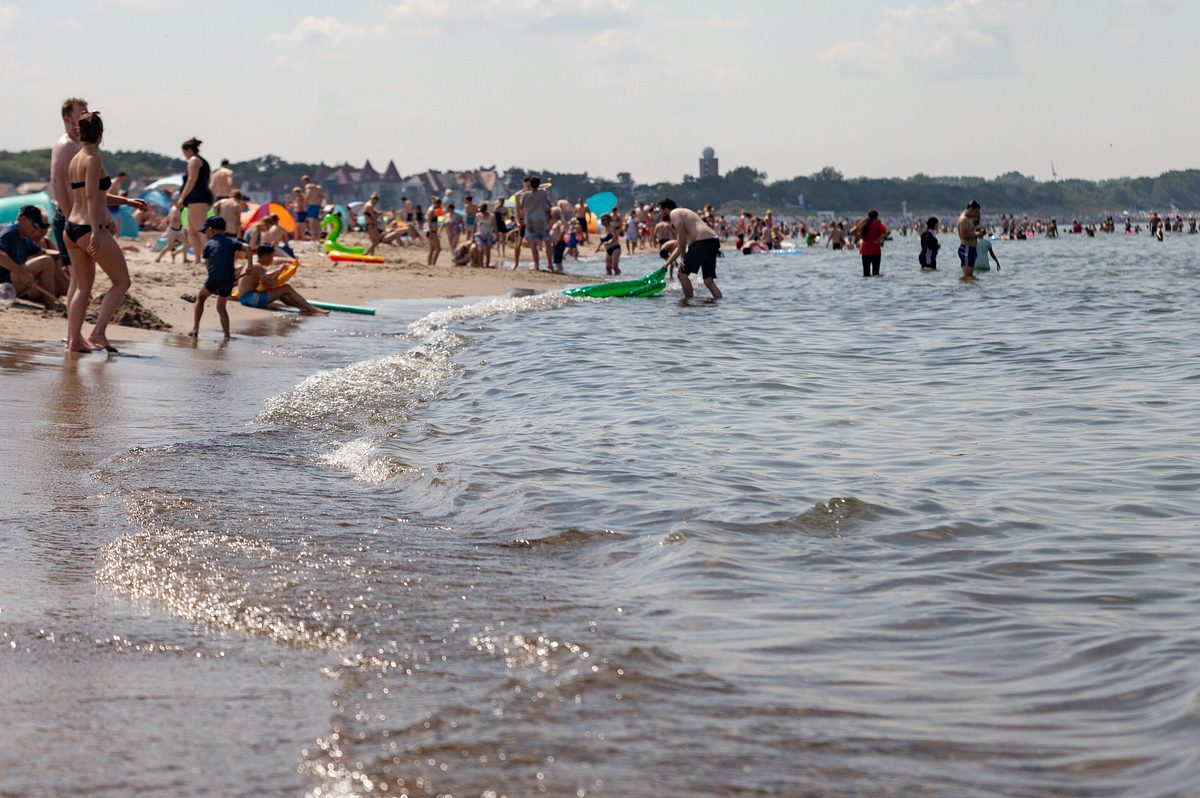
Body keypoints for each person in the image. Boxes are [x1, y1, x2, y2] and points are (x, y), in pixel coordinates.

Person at [63, 112, 147, 353]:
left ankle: (74, 341)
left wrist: (127, 202)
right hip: (89, 227)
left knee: (82, 288)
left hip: (71, 227)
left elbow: (92, 194)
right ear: (101, 133)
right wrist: (97, 232)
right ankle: (98, 333)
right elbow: (91, 196)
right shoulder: (94, 159)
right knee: (122, 281)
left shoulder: (75, 158)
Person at [50, 98, 88, 277]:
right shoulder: (65, 145)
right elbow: (57, 182)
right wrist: (69, 218)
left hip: (79, 216)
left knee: (82, 276)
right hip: (69, 217)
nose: (86, 117)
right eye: (81, 114)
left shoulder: (79, 144)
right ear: (67, 119)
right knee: (78, 277)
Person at [236, 244, 328, 316]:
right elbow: (271, 283)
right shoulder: (258, 267)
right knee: (286, 288)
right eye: (271, 257)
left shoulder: (254, 263)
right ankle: (312, 309)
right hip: (250, 299)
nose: (272, 260)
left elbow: (263, 277)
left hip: (244, 298)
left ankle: (302, 307)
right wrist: (279, 270)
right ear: (266, 256)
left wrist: (277, 271)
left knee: (280, 290)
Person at [191, 216, 244, 338]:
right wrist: (250, 266)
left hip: (214, 278)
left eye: (205, 231)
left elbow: (208, 265)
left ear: (211, 230)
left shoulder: (209, 245)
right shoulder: (232, 241)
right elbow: (248, 248)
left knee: (201, 298)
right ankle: (226, 335)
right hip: (229, 280)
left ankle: (195, 329)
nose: (204, 234)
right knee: (221, 307)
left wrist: (213, 278)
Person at [660, 198, 722, 300]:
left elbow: (681, 235)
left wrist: (682, 259)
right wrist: (667, 263)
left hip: (703, 241)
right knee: (708, 280)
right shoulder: (685, 216)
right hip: (712, 240)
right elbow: (681, 245)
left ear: (665, 209)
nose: (660, 213)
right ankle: (719, 304)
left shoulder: (674, 213)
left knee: (682, 274)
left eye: (660, 211)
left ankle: (688, 304)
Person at [0, 206, 60, 310]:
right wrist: (21, 272)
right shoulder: (9, 232)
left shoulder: (24, 237)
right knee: (46, 262)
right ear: (23, 219)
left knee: (50, 260)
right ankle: (51, 307)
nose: (36, 229)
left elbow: (42, 252)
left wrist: (64, 255)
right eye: (35, 225)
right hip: (3, 286)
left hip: (8, 287)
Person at [175, 137, 213, 275]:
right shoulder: (202, 161)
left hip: (198, 198)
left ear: (188, 150)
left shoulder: (194, 160)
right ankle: (198, 259)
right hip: (198, 198)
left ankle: (210, 258)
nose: (184, 155)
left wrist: (181, 197)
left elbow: (191, 180)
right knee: (191, 231)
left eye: (184, 152)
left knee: (199, 230)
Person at [519, 175, 554, 271]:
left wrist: (523, 217)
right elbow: (550, 205)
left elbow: (520, 207)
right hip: (541, 220)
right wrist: (545, 210)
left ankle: (536, 265)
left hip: (530, 221)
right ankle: (550, 264)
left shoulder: (525, 195)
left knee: (533, 244)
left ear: (530, 184)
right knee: (547, 242)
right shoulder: (543, 193)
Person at [853, 209, 889, 277]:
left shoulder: (864, 223)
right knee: (876, 274)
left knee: (866, 274)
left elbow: (852, 231)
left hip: (865, 250)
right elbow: (888, 232)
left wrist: (861, 237)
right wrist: (879, 239)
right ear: (877, 216)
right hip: (876, 250)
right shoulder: (878, 224)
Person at [956, 200, 986, 279]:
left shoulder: (968, 218)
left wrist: (978, 231)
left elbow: (970, 232)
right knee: (967, 275)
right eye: (975, 212)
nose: (975, 214)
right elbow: (964, 235)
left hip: (971, 249)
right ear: (970, 209)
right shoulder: (964, 219)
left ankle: (970, 289)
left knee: (970, 275)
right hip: (966, 248)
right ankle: (965, 289)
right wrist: (978, 234)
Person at [302, 176, 326, 243]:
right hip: (317, 206)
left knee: (311, 222)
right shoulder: (316, 187)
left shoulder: (308, 186)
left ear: (305, 181)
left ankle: (313, 238)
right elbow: (322, 196)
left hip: (311, 206)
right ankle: (318, 238)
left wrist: (304, 204)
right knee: (317, 223)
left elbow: (307, 195)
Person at [474, 202, 496, 268]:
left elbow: (495, 226)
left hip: (489, 235)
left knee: (487, 250)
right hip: (480, 234)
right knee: (480, 249)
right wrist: (473, 234)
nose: (482, 212)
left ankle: (487, 264)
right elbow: (475, 225)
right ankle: (481, 265)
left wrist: (497, 235)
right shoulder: (477, 215)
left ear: (486, 209)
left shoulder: (492, 216)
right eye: (481, 210)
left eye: (483, 210)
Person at [426, 197, 443, 266]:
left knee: (432, 249)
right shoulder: (431, 210)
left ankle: (429, 264)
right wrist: (430, 233)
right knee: (438, 249)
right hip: (431, 231)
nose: (439, 205)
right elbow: (429, 222)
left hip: (432, 231)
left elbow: (440, 218)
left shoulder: (434, 209)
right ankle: (433, 264)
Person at [550, 209, 567, 274]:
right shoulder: (556, 222)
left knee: (558, 259)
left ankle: (560, 271)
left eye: (552, 213)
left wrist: (557, 239)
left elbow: (562, 230)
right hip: (556, 242)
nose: (551, 214)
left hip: (559, 242)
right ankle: (559, 270)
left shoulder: (559, 222)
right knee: (556, 258)